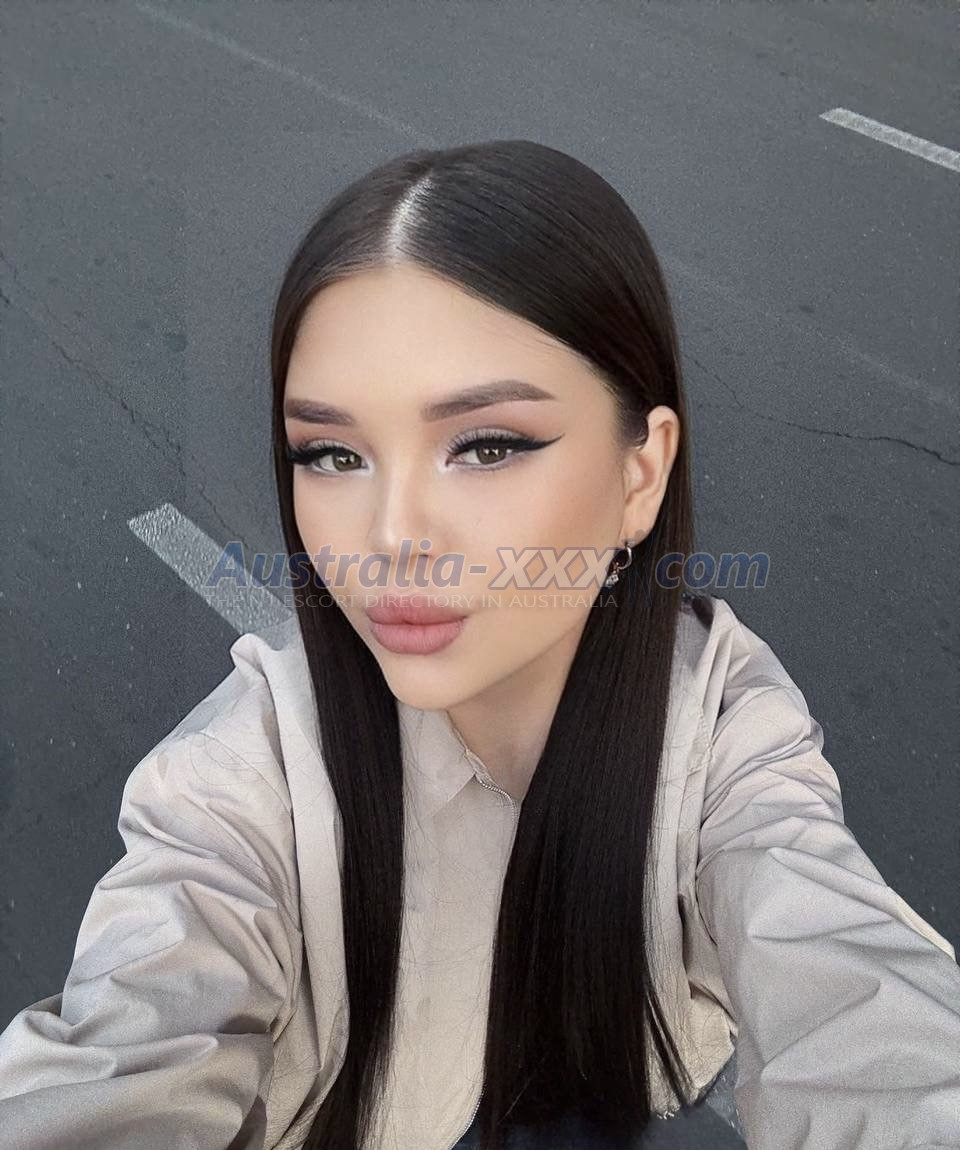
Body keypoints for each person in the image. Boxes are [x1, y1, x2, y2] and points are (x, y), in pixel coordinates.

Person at [1, 140, 957, 1150]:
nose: (390, 538)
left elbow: (856, 1001)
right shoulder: (247, 783)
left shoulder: (723, 733)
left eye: (487, 445)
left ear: (640, 475)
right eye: (333, 454)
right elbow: (132, 1039)